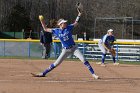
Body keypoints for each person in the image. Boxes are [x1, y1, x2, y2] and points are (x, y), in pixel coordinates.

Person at [31, 8, 99, 79]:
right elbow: (45, 29)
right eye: (64, 23)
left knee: (84, 60)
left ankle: (93, 74)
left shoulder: (68, 27)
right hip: (65, 50)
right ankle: (43, 73)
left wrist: (79, 14)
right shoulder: (56, 31)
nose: (65, 23)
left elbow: (76, 23)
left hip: (74, 48)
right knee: (56, 63)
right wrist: (42, 21)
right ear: (60, 24)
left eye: (65, 22)